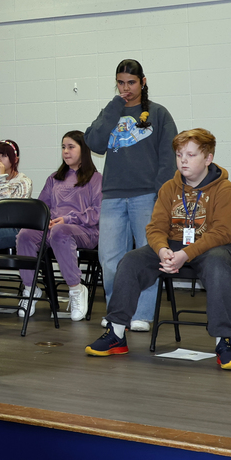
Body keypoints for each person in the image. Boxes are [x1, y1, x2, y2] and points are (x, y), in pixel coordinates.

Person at [84, 129, 231, 371]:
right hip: (174, 245)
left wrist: (185, 255)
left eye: (191, 155)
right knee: (131, 261)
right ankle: (116, 332)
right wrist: (162, 250)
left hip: (214, 246)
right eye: (179, 155)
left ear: (208, 158)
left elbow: (223, 232)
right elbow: (156, 227)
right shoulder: (169, 188)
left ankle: (225, 342)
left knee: (218, 267)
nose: (183, 160)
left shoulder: (225, 189)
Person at [84, 59, 177, 332]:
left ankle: (143, 314)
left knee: (148, 256)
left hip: (146, 195)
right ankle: (118, 314)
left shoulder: (158, 113)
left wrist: (161, 194)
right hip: (113, 196)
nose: (126, 88)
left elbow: (168, 157)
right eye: (121, 83)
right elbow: (94, 143)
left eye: (132, 82)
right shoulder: (110, 111)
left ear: (143, 82)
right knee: (110, 259)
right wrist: (114, 107)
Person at [16, 131, 101, 321]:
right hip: (54, 229)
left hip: (85, 231)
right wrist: (46, 219)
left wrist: (67, 219)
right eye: (63, 147)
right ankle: (30, 289)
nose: (66, 151)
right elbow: (42, 206)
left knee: (60, 231)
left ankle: (76, 288)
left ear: (84, 150)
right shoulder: (54, 178)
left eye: (71, 147)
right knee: (25, 234)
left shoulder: (96, 179)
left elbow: (97, 212)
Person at [0, 139, 33, 250]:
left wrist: (1, 177)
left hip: (13, 228)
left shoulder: (24, 182)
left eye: (4, 156)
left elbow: (9, 211)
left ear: (15, 159)